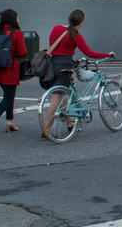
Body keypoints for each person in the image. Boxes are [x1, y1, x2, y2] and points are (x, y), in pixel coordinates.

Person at [41, 10, 115, 139]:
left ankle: (71, 124)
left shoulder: (56, 28)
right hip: (64, 67)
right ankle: (46, 132)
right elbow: (89, 53)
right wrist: (107, 55)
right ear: (81, 22)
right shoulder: (75, 35)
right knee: (56, 100)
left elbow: (58, 48)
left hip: (52, 65)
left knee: (63, 96)